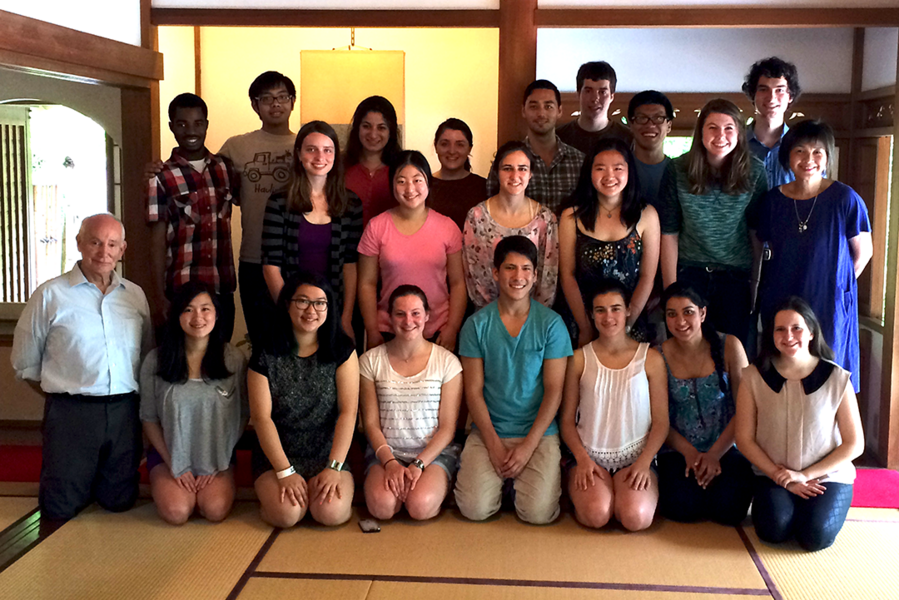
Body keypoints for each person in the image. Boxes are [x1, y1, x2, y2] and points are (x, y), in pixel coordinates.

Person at [11, 214, 151, 522]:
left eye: (112, 244)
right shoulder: (50, 294)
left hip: (124, 412)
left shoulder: (135, 296)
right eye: (95, 242)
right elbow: (25, 362)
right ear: (79, 243)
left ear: (122, 249)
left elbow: (145, 354)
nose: (103, 252)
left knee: (120, 503)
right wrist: (64, 392)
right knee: (61, 506)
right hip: (71, 413)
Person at [455, 236, 572, 525]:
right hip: (488, 431)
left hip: (538, 433)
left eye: (525, 269)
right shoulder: (476, 325)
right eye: (509, 268)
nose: (517, 276)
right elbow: (473, 391)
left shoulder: (552, 324)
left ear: (534, 276)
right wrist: (494, 445)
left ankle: (513, 481)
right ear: (496, 273)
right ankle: (504, 480)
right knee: (474, 509)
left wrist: (529, 446)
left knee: (538, 514)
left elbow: (554, 392)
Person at [735, 297, 864, 551]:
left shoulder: (837, 378)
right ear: (771, 334)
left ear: (811, 333)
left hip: (826, 477)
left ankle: (811, 511)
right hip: (774, 474)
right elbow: (744, 439)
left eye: (797, 328)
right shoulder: (753, 376)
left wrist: (805, 475)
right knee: (773, 529)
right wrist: (782, 477)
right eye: (780, 329)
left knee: (815, 536)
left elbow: (854, 444)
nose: (788, 336)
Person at [757, 120, 872, 392]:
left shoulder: (845, 198)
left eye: (817, 152)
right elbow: (759, 250)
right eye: (800, 151)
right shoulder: (772, 201)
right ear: (787, 156)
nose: (809, 159)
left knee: (829, 379)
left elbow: (863, 253)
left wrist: (835, 283)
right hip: (782, 299)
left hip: (829, 304)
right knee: (782, 376)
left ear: (828, 158)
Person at [249, 272, 358, 528]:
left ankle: (316, 495)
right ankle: (286, 500)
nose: (312, 310)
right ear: (287, 303)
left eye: (320, 303)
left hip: (328, 453)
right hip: (278, 456)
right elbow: (261, 418)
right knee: (286, 515)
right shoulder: (265, 353)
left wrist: (334, 467)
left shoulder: (341, 350)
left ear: (329, 308)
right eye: (303, 301)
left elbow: (348, 412)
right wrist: (284, 471)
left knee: (331, 514)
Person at [559, 280, 668, 531]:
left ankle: (623, 492)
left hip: (636, 457)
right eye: (600, 310)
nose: (609, 316)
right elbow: (566, 421)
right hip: (589, 456)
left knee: (635, 518)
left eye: (616, 308)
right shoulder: (578, 359)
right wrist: (582, 459)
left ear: (628, 310)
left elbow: (661, 422)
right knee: (596, 514)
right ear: (591, 314)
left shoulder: (650, 358)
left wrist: (644, 462)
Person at [658, 98, 768, 344]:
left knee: (734, 355)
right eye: (712, 128)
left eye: (729, 128)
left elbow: (755, 235)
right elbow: (669, 234)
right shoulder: (677, 169)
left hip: (735, 278)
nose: (721, 135)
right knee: (685, 349)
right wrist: (671, 291)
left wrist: (755, 285)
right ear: (701, 132)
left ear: (739, 133)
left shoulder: (756, 172)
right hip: (689, 274)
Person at [139, 284, 248, 525]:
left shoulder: (234, 359)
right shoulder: (155, 360)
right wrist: (174, 463)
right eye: (188, 310)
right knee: (177, 512)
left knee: (215, 510)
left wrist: (219, 461)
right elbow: (148, 418)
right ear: (177, 315)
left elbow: (243, 415)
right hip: (170, 455)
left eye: (205, 309)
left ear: (217, 314)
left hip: (218, 457)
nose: (198, 317)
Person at [361, 286, 463, 521]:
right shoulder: (369, 361)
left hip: (432, 454)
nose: (409, 321)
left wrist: (419, 464)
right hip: (386, 452)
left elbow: (448, 427)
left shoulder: (447, 362)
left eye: (416, 313)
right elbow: (371, 424)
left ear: (427, 316)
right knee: (382, 507)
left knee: (420, 507)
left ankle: (436, 485)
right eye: (400, 314)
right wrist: (390, 463)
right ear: (389, 317)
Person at [656, 282, 754, 525]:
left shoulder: (730, 346)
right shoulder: (656, 355)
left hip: (727, 447)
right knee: (682, 509)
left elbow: (746, 410)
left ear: (702, 313)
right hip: (679, 451)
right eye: (672, 314)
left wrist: (713, 455)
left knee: (729, 511)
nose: (680, 321)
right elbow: (658, 419)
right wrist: (690, 453)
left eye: (688, 312)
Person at [148, 93, 240, 340]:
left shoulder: (226, 169)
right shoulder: (160, 176)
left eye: (198, 123)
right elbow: (156, 240)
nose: (191, 130)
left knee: (220, 363)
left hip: (221, 288)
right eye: (182, 124)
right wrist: (159, 297)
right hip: (181, 291)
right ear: (172, 127)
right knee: (180, 366)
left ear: (207, 125)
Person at [261, 120, 363, 340]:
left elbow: (350, 265)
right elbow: (271, 266)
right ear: (299, 154)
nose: (320, 157)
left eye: (328, 150)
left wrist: (345, 317)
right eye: (311, 149)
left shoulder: (351, 204)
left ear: (336, 156)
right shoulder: (279, 202)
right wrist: (291, 312)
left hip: (334, 308)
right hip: (290, 309)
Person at [219, 71, 298, 349]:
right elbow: (204, 175)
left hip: (296, 257)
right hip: (254, 257)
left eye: (282, 97)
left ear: (293, 102)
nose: (275, 104)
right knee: (261, 341)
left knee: (299, 339)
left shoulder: (306, 145)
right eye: (266, 99)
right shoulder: (237, 146)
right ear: (255, 105)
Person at [358, 150, 466, 351]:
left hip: (437, 330)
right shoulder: (376, 227)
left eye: (417, 180)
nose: (410, 188)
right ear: (392, 185)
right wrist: (372, 330)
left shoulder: (448, 227)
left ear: (428, 183)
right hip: (389, 330)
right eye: (401, 181)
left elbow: (458, 283)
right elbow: (367, 283)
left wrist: (452, 328)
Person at [559, 138, 660, 347]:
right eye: (600, 168)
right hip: (582, 320)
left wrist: (625, 326)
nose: (609, 176)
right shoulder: (571, 216)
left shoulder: (647, 215)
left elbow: (647, 277)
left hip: (630, 321)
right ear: (589, 172)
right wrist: (586, 326)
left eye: (618, 168)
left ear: (629, 172)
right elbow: (567, 275)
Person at [463, 141, 559, 310]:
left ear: (530, 174)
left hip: (535, 316)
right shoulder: (477, 217)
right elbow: (474, 273)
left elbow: (547, 276)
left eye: (522, 169)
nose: (515, 176)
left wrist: (535, 315)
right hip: (488, 315)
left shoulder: (545, 218)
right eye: (507, 168)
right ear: (497, 172)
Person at [486, 80, 585, 213]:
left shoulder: (579, 161)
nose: (541, 114)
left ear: (559, 111)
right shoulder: (508, 161)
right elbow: (492, 207)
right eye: (534, 106)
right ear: (523, 110)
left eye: (548, 106)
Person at [742, 57, 802, 188]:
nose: (771, 98)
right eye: (763, 89)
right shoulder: (734, 143)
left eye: (779, 90)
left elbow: (815, 192)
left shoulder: (803, 145)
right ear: (753, 95)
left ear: (790, 96)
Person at [344, 95, 403, 226]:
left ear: (391, 132)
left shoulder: (402, 170)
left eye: (381, 127)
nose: (373, 134)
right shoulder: (340, 167)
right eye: (366, 126)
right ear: (357, 128)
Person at [557, 61, 633, 154]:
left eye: (602, 92)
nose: (595, 99)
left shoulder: (628, 139)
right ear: (578, 93)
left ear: (612, 96)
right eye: (588, 91)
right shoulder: (559, 138)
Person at [428, 118, 488, 230]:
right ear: (436, 146)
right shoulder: (424, 186)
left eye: (459, 145)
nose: (451, 151)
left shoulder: (484, 187)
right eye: (445, 144)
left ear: (469, 149)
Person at [628, 90, 674, 209]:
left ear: (669, 126)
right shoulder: (618, 169)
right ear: (631, 125)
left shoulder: (680, 172)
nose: (650, 125)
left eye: (658, 118)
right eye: (641, 118)